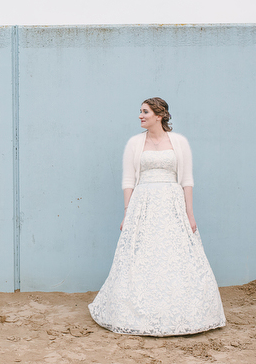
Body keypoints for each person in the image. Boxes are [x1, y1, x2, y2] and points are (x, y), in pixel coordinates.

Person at [89, 97, 226, 336]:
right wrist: (127, 213)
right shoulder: (134, 143)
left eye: (145, 112)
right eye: (140, 112)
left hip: (172, 205)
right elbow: (129, 180)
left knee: (174, 254)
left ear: (159, 115)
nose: (140, 116)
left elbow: (187, 180)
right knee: (142, 255)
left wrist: (189, 213)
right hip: (143, 205)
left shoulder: (179, 142)